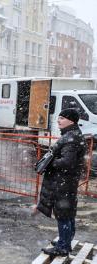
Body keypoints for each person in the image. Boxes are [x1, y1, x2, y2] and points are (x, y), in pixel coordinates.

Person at [37, 108, 87, 257]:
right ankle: (66, 240)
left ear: (71, 121)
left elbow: (67, 162)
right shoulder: (73, 135)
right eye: (59, 117)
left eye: (62, 118)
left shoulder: (71, 138)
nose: (59, 120)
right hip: (67, 182)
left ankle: (63, 247)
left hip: (63, 183)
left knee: (63, 214)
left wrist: (50, 163)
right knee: (68, 213)